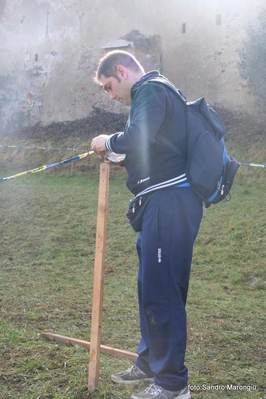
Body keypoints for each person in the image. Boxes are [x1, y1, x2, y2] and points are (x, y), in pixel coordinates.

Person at [91, 50, 203, 399]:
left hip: (170, 204)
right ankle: (149, 361)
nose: (111, 96)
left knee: (162, 293)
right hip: (159, 203)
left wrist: (106, 141)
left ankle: (173, 384)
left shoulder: (151, 90)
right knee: (149, 287)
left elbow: (138, 135)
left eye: (109, 86)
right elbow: (152, 148)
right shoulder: (154, 94)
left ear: (122, 71)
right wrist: (120, 155)